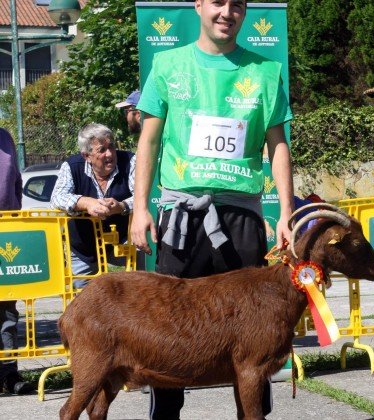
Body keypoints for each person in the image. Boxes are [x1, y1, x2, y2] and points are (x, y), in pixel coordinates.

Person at [130, 0, 295, 418]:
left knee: (253, 337)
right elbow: (148, 141)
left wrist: (288, 211)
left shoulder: (266, 71)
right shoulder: (167, 64)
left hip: (240, 218)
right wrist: (140, 207)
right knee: (168, 332)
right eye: (218, 2)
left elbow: (277, 146)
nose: (227, 12)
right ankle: (165, 414)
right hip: (180, 219)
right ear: (199, 5)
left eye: (237, 4)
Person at [50, 123, 143, 287]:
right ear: (86, 156)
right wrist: (85, 203)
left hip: (125, 242)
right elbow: (56, 198)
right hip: (83, 247)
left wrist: (122, 206)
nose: (110, 154)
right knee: (81, 298)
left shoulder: (130, 161)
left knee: (145, 284)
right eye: (102, 150)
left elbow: (143, 196)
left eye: (112, 147)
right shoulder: (72, 166)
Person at [0, 128, 33, 395]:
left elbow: (16, 184)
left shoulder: (5, 138)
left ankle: (10, 373)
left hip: (5, 233)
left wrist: (13, 218)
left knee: (8, 312)